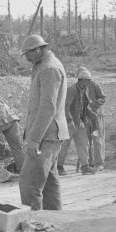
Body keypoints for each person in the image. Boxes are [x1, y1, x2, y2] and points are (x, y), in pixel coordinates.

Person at [18, 34, 69, 211]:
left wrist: (34, 139)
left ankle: (34, 223)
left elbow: (48, 108)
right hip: (49, 136)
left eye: (28, 54)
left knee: (29, 184)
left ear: (38, 49)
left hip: (46, 136)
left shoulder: (49, 69)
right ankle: (55, 221)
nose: (26, 58)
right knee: (49, 184)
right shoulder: (44, 66)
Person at [57, 83, 95, 176]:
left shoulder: (84, 90)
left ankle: (85, 166)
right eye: (86, 80)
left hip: (79, 121)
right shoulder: (72, 90)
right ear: (81, 80)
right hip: (69, 122)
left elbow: (85, 106)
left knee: (84, 143)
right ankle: (58, 166)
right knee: (65, 145)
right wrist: (69, 120)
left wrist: (91, 114)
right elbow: (66, 106)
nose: (88, 82)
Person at [73, 66, 106, 172]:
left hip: (96, 117)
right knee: (86, 141)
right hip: (85, 118)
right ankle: (90, 163)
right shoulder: (78, 88)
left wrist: (93, 103)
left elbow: (103, 98)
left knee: (97, 140)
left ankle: (99, 163)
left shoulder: (94, 85)